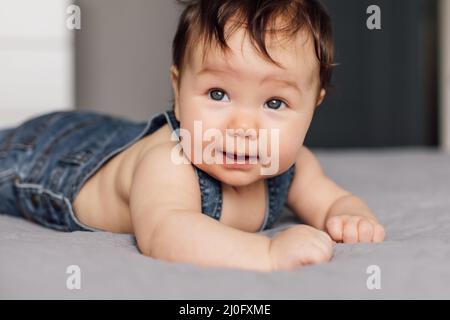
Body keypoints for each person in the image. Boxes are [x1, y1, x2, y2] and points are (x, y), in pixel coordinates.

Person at [0, 0, 385, 272]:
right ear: (179, 91)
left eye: (274, 102)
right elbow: (167, 233)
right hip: (48, 155)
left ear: (312, 107)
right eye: (218, 95)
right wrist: (267, 253)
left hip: (116, 137)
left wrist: (349, 216)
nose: (243, 128)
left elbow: (334, 201)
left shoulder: (295, 164)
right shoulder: (170, 164)